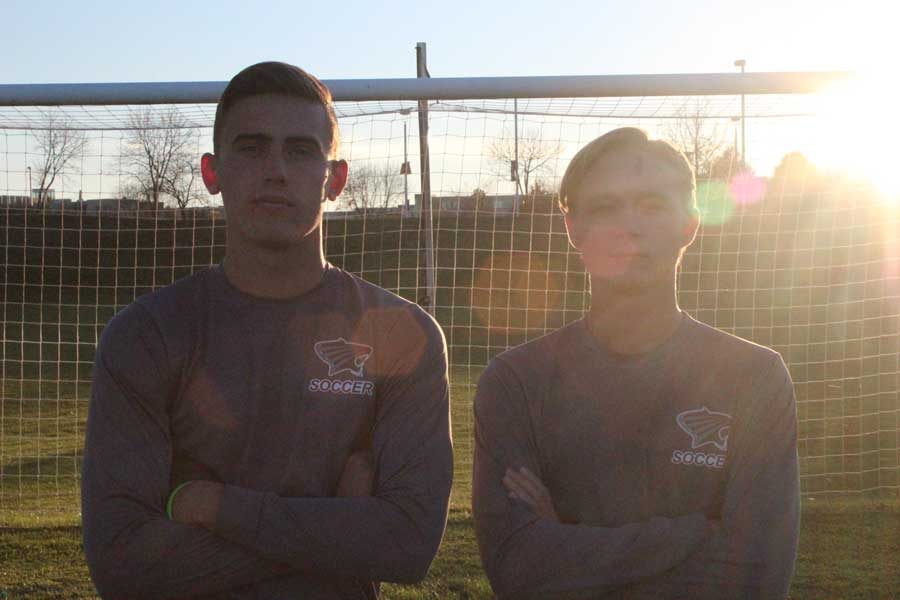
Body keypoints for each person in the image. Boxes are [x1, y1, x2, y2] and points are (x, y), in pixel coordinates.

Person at [81, 61, 453, 600]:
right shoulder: (144, 335)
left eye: (301, 151)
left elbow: (408, 544)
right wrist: (337, 526)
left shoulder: (405, 335)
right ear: (212, 174)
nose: (275, 169)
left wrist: (218, 507)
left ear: (337, 180)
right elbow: (122, 565)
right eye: (252, 148)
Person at [472, 127, 800, 599]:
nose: (629, 224)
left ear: (689, 223)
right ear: (573, 230)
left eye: (652, 205)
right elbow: (517, 568)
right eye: (605, 207)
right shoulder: (514, 382)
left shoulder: (755, 377)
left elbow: (755, 578)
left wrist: (564, 541)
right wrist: (694, 533)